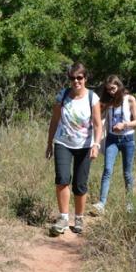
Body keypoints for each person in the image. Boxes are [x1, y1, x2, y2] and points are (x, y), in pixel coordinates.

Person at [46, 62, 102, 236]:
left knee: (80, 184)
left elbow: (98, 124)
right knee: (62, 179)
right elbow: (54, 121)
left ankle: (78, 218)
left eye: (79, 78)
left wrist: (96, 144)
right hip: (63, 143)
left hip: (84, 146)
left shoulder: (92, 98)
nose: (76, 81)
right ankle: (63, 217)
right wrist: (49, 143)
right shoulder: (62, 96)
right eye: (72, 78)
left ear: (85, 78)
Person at [91, 75, 136, 215]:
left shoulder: (130, 99)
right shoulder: (108, 102)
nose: (111, 92)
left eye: (113, 88)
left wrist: (124, 125)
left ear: (119, 86)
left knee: (127, 173)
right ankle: (101, 203)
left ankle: (129, 204)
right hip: (112, 140)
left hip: (128, 140)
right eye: (108, 90)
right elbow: (99, 119)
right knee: (107, 170)